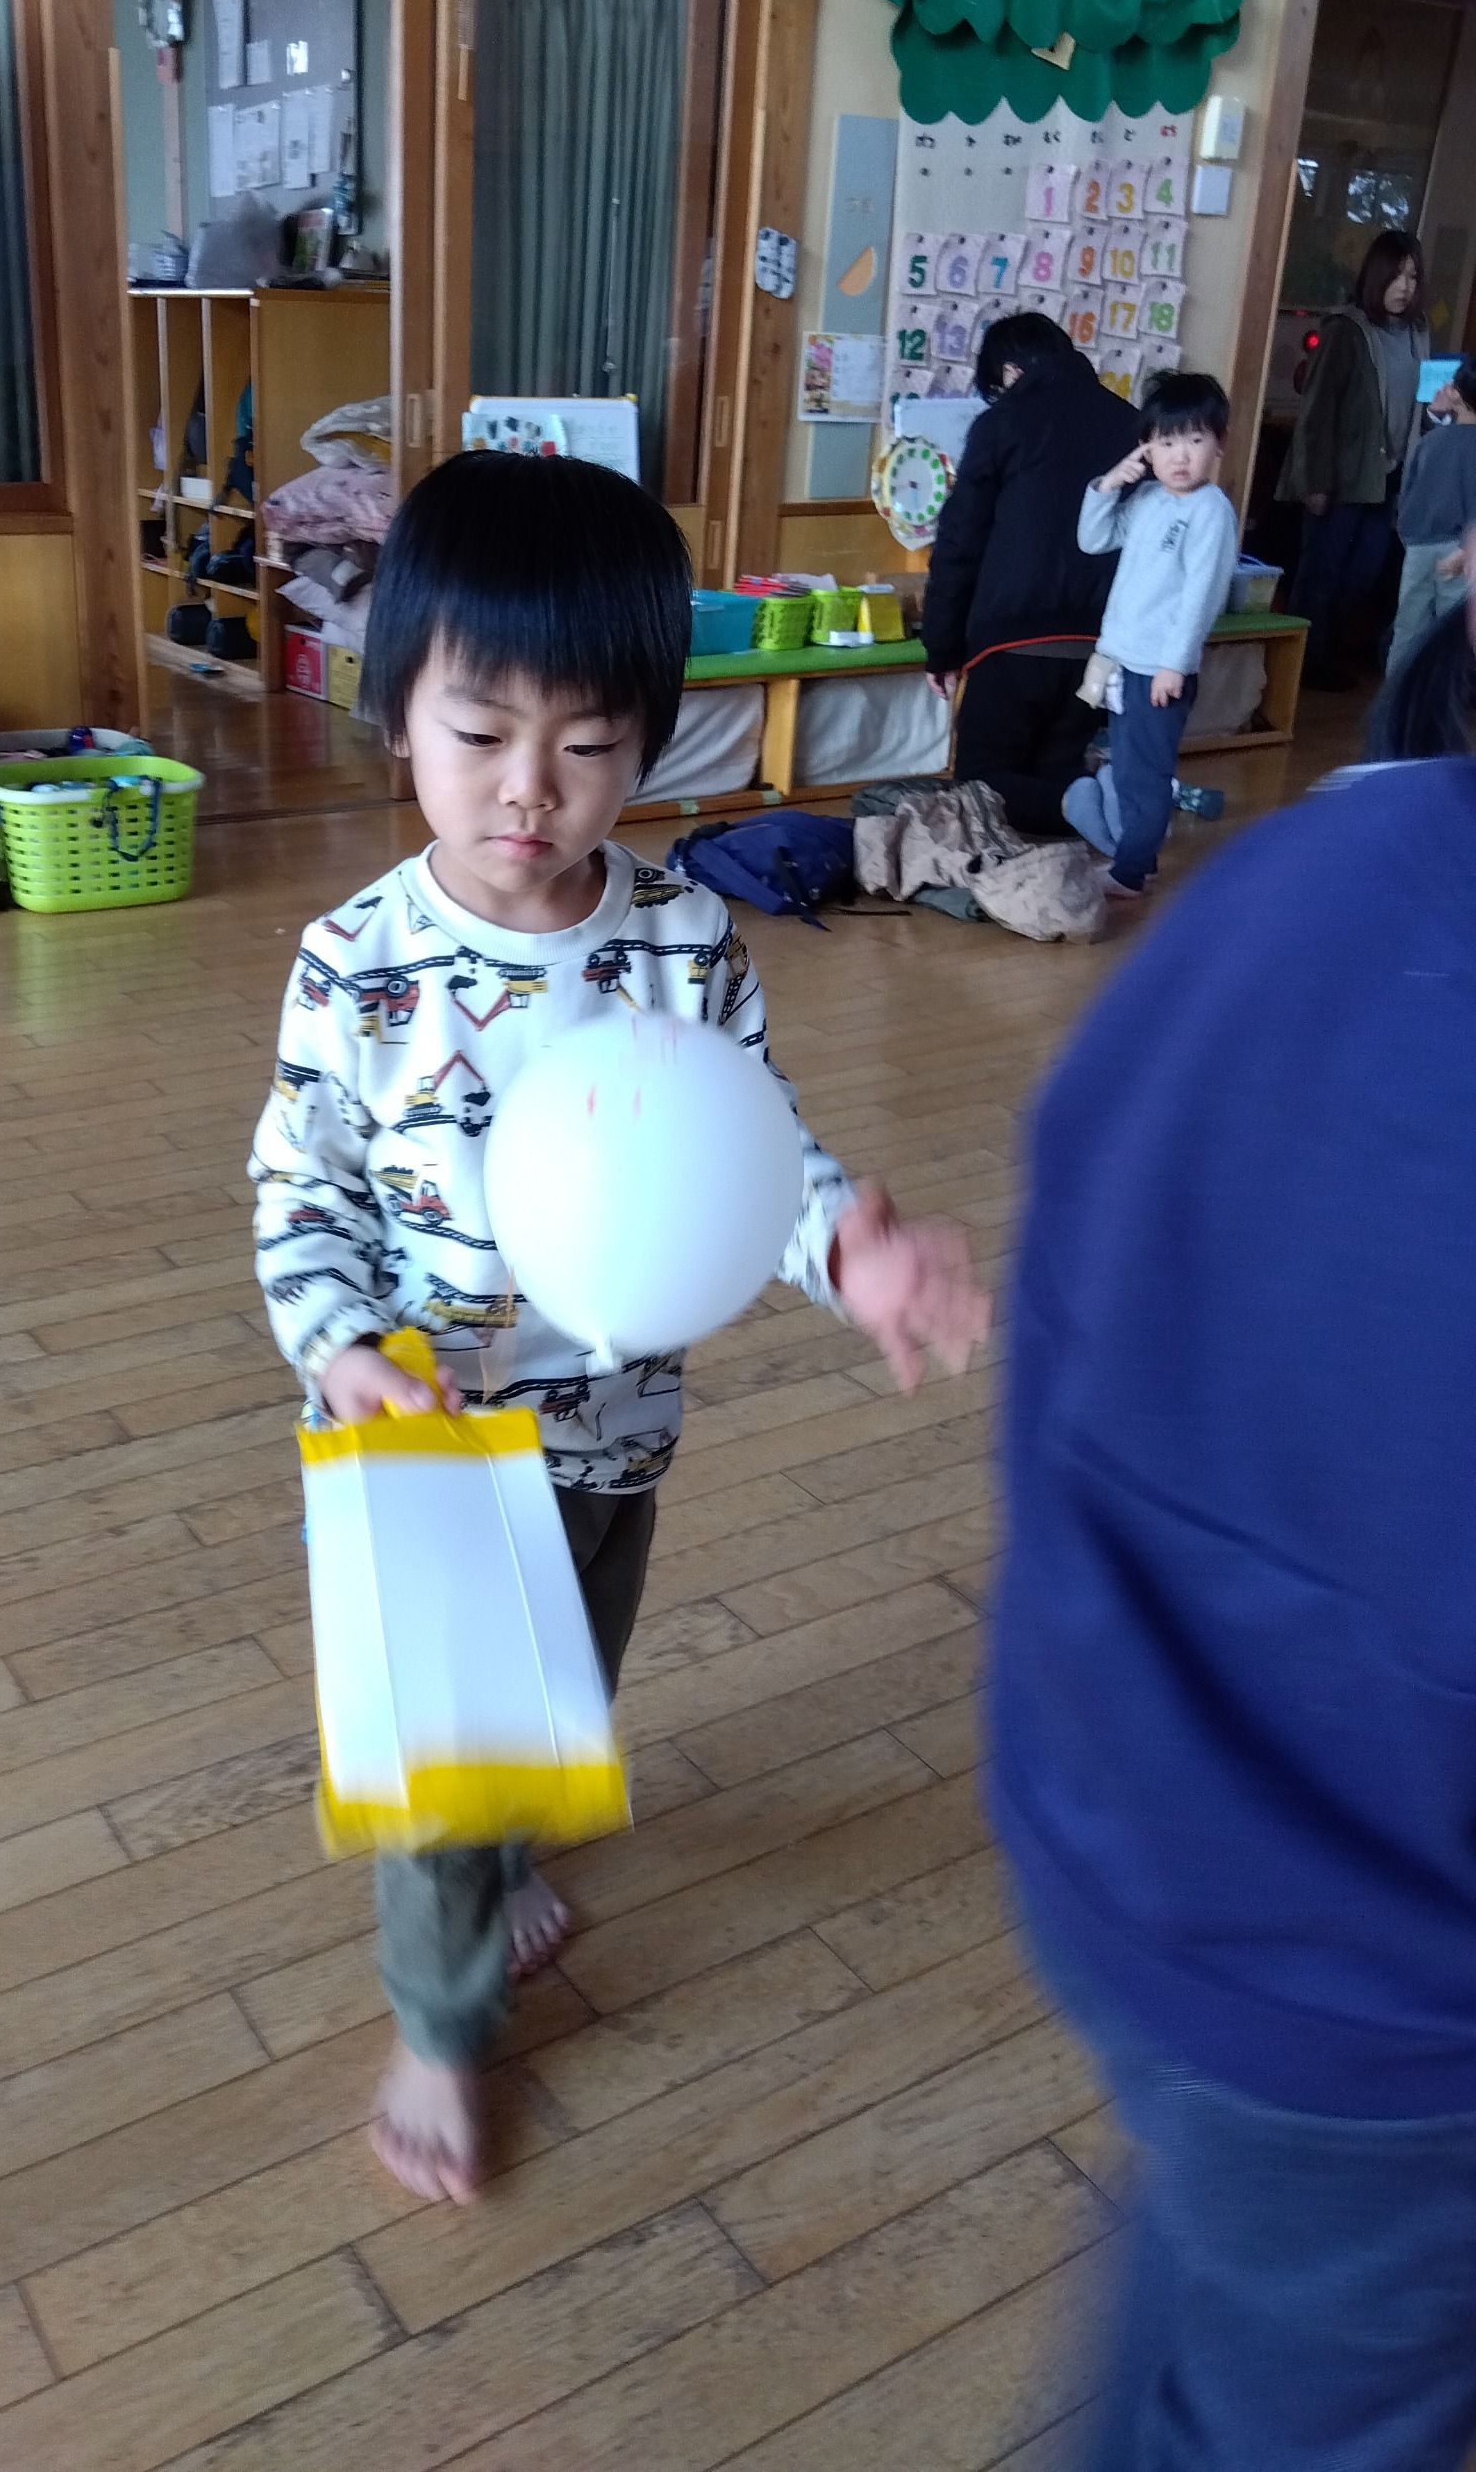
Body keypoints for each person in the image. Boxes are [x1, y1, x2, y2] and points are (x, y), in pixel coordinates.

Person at [250, 450, 990, 2203]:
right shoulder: (354, 962)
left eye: (587, 745)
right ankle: (440, 2025)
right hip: (428, 1441)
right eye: (480, 732)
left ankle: (512, 1852)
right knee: (449, 1761)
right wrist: (341, 1343)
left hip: (614, 1426)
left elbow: (753, 1152)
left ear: (648, 742)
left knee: (567, 1681)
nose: (530, 787)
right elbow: (299, 1194)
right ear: (396, 713)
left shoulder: (682, 939)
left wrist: (849, 1247)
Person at [990, 583, 1476, 2467]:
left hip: (1112, 1834)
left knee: (1217, 2254)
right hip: (1378, 2021)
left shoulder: (1281, 885)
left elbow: (1076, 1294)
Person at [921, 311, 1140, 836]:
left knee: (980, 785)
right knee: (1057, 770)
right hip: (1102, 643)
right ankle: (1093, 805)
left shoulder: (1002, 425)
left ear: (1010, 371)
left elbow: (960, 543)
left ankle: (1075, 805)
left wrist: (942, 648)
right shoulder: (1132, 424)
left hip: (1012, 638)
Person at [1063, 373, 1240, 900]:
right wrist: (1107, 485)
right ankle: (1135, 852)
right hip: (1122, 660)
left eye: (1195, 439)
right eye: (1166, 442)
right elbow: (1093, 539)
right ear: (1146, 448)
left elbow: (1202, 595)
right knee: (1127, 766)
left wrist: (1175, 664)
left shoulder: (1210, 510)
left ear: (1219, 444)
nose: (1180, 455)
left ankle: (1131, 872)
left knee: (1145, 773)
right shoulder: (1146, 499)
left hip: (1158, 669)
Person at [1277, 227, 1431, 690]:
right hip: (1341, 476)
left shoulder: (1418, 333)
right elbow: (1317, 411)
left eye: (1413, 277)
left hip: (1389, 476)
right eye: (1396, 276)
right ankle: (1305, 664)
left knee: (1363, 571)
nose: (1404, 287)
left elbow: (1419, 403)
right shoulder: (1345, 330)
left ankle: (1329, 648)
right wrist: (1315, 481)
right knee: (1320, 571)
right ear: (1375, 275)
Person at [1385, 360, 1476, 683]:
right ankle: (1448, 699)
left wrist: (1409, 536)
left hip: (1419, 546)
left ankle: (1395, 694)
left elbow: (1408, 495)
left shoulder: (1431, 442)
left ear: (1456, 394)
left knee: (1408, 627)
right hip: (1463, 551)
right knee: (1454, 636)